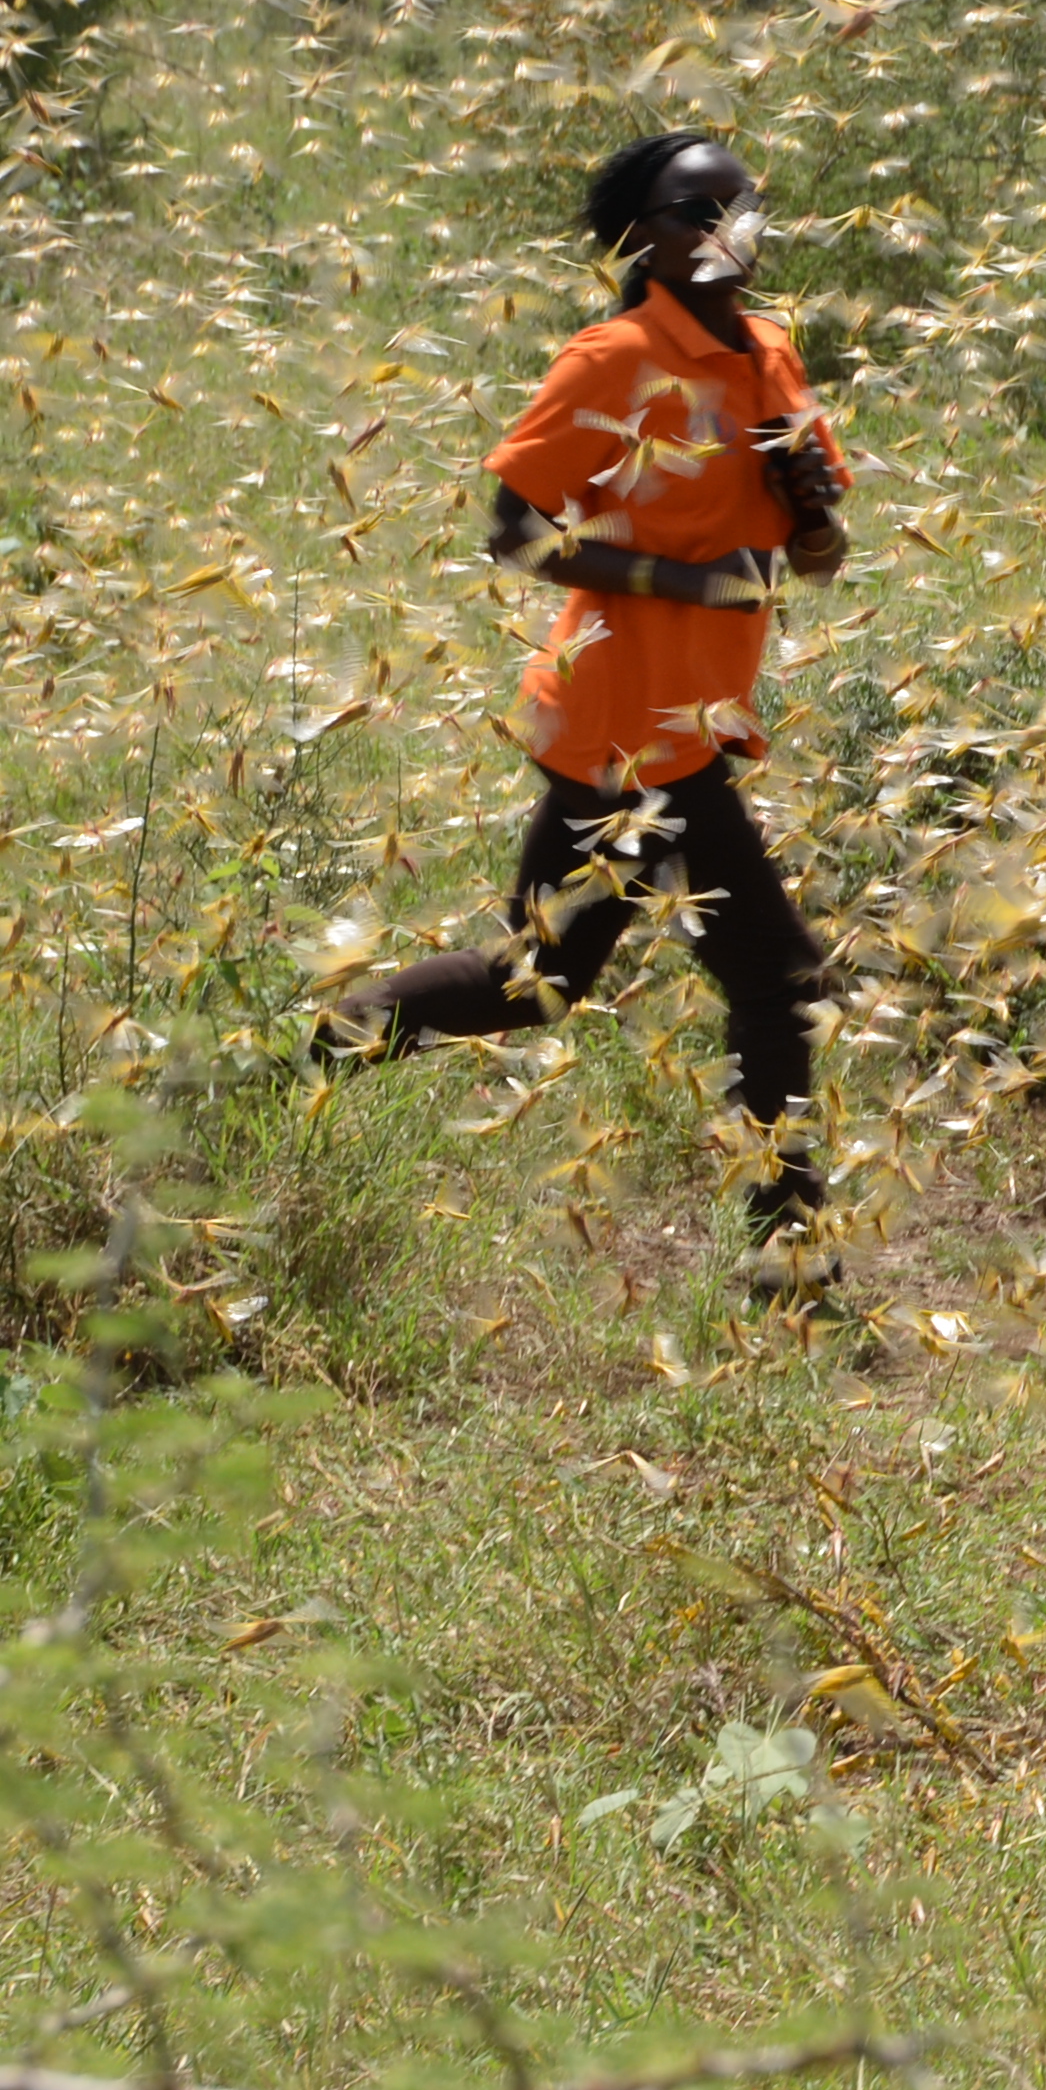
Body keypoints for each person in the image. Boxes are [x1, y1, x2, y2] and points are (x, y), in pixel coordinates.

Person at [324, 130, 858, 1295]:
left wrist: (808, 514)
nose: (722, 225)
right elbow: (515, 529)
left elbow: (816, 557)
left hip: (688, 721)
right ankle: (786, 1256)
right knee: (781, 980)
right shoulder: (614, 356)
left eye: (738, 203)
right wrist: (689, 581)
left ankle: (291, 1061)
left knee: (534, 982)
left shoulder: (768, 350)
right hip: (628, 721)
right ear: (644, 241)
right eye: (690, 209)